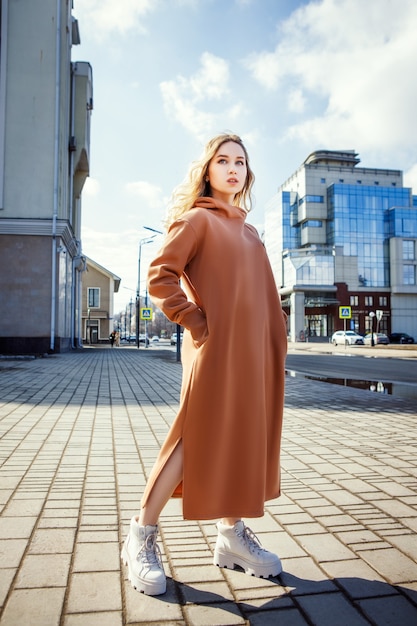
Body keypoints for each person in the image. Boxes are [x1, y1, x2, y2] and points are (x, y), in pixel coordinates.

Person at [121, 132, 287, 596]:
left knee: (240, 437)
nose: (233, 168)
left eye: (241, 162)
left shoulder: (250, 231)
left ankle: (231, 536)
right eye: (223, 160)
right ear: (208, 170)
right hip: (215, 348)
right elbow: (161, 275)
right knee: (194, 438)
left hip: (255, 353)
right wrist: (194, 320)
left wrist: (276, 336)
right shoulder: (197, 220)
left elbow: (262, 294)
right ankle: (140, 535)